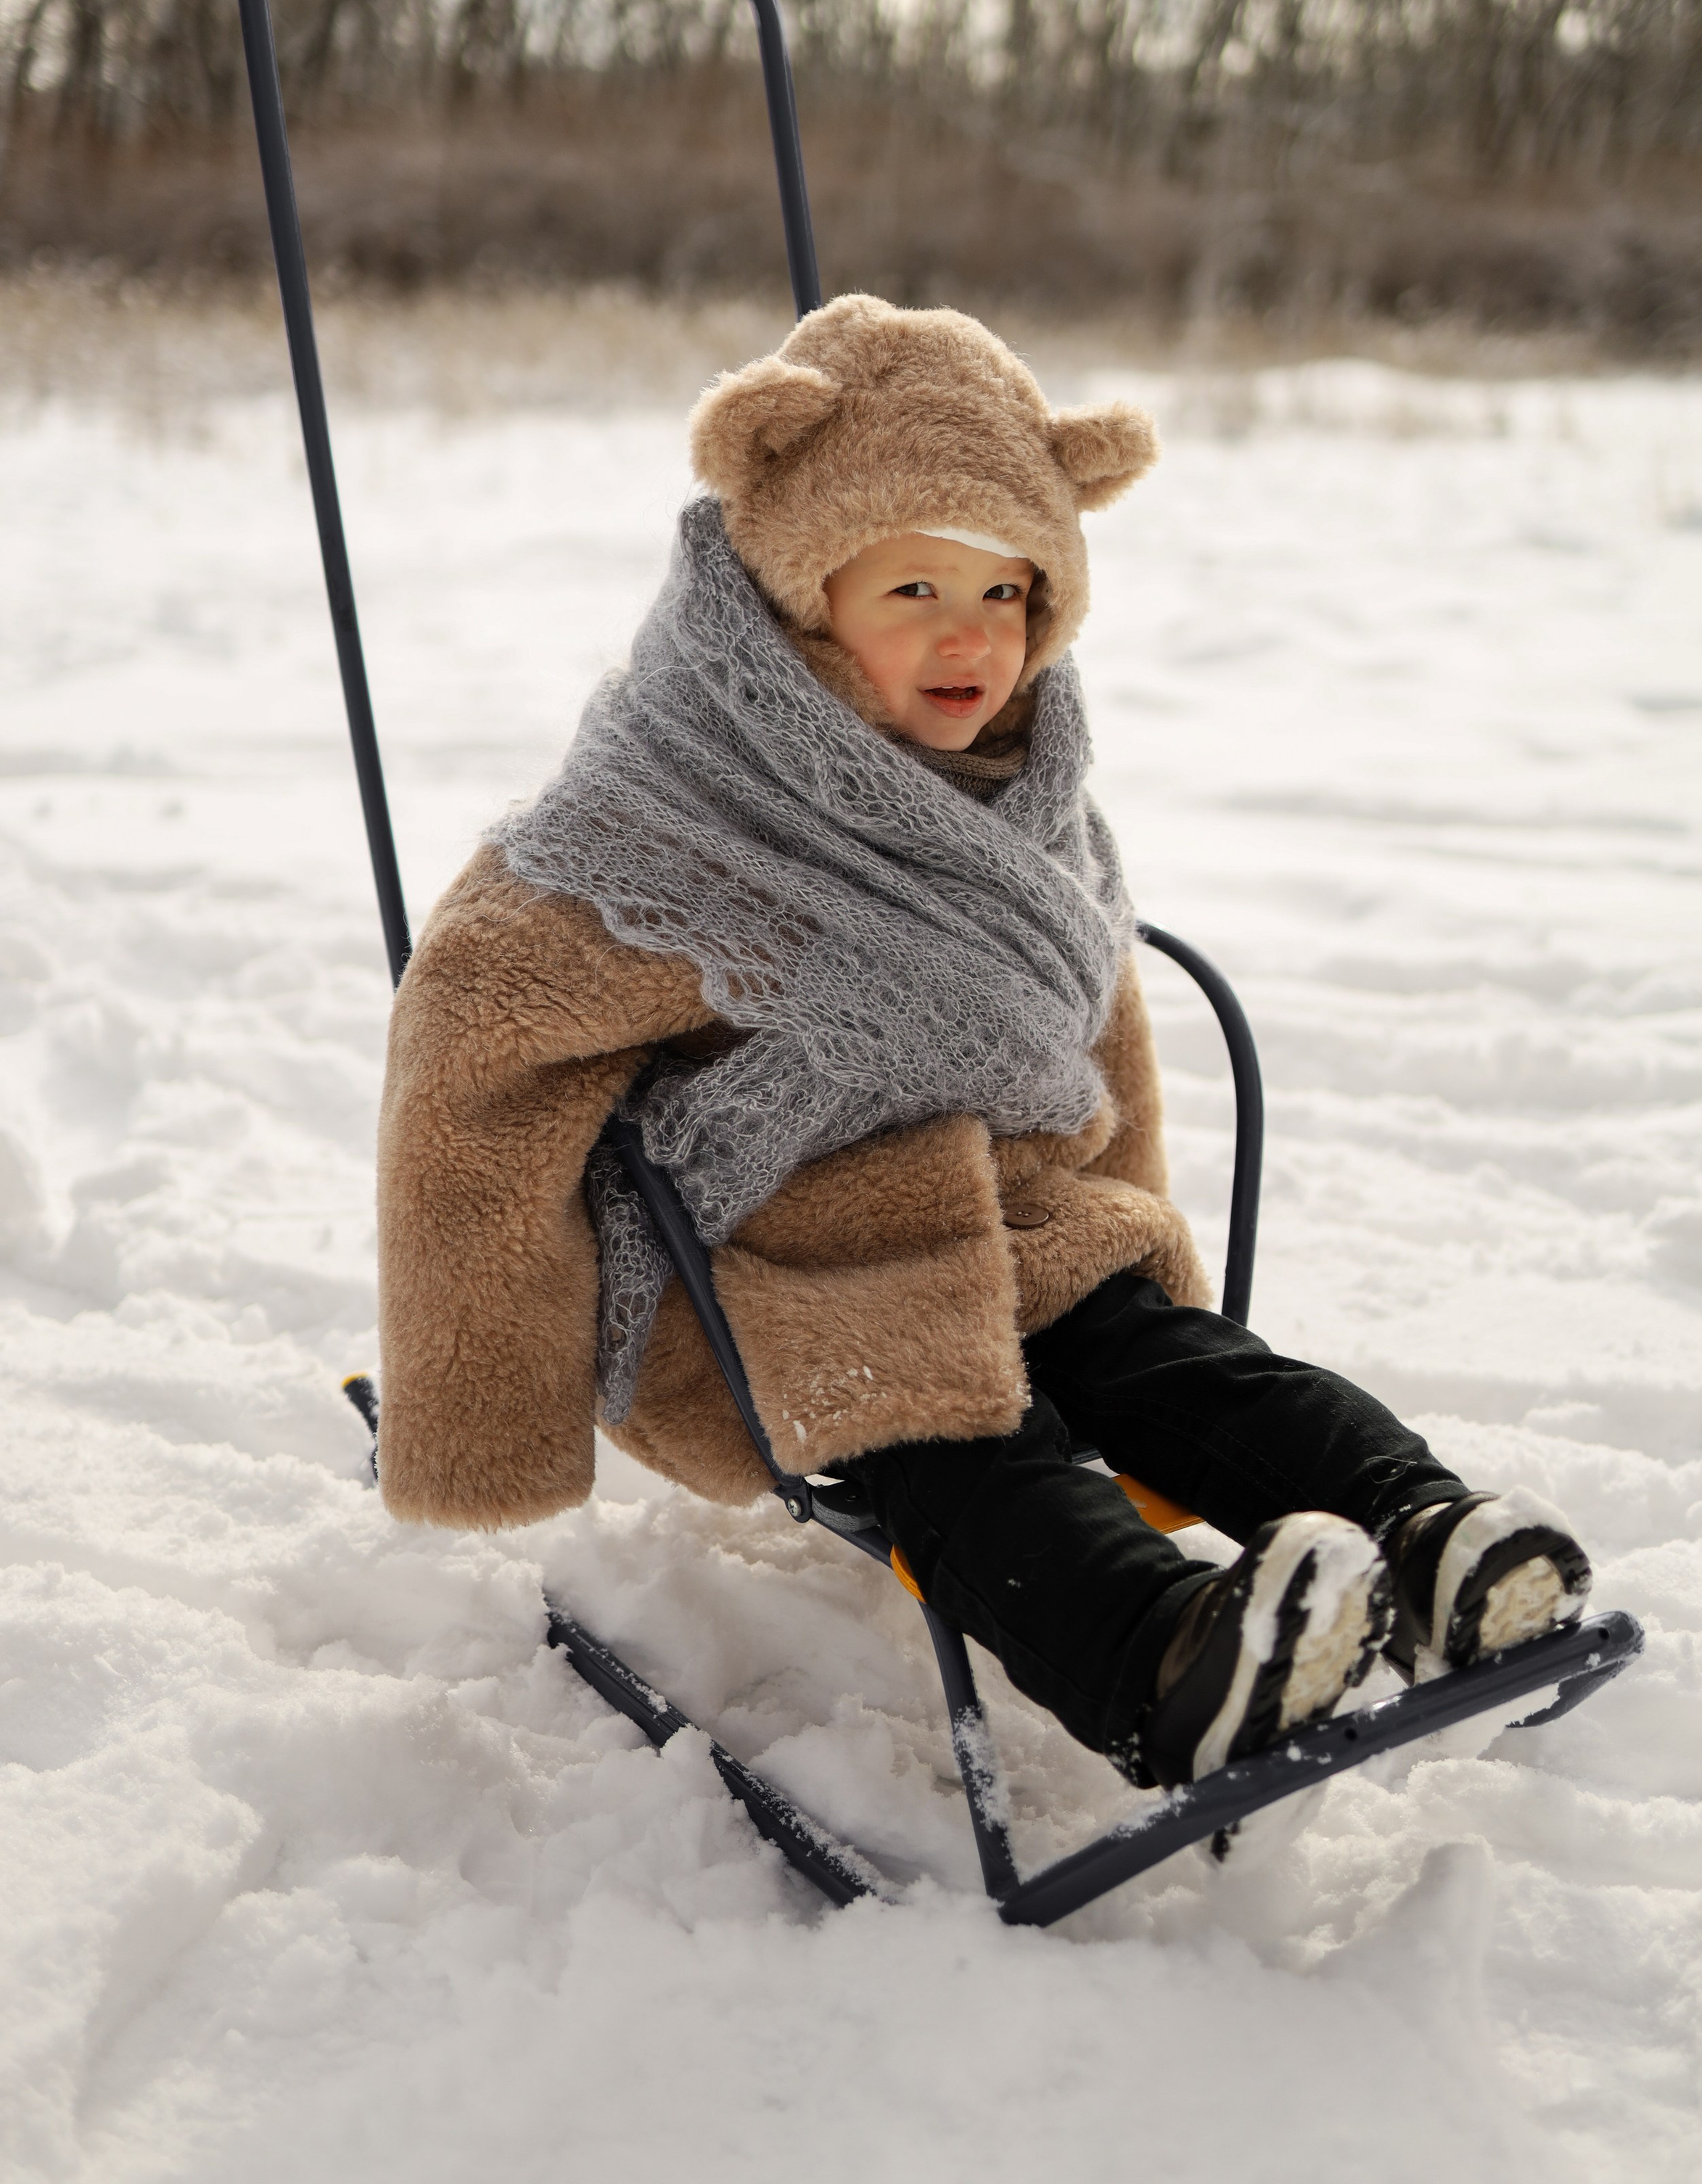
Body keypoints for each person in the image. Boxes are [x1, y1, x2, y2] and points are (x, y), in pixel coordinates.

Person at [377, 296, 1590, 1789]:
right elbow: (477, 1052)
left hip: (1017, 1215)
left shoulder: (1027, 792)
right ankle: (1161, 1659)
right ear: (798, 600)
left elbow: (1095, 1033)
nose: (972, 640)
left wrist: (1133, 1235)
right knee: (954, 1440)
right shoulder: (650, 820)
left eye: (1008, 594)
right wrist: (481, 1403)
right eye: (913, 593)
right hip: (775, 1260)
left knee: (1180, 1366)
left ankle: (1433, 1541)